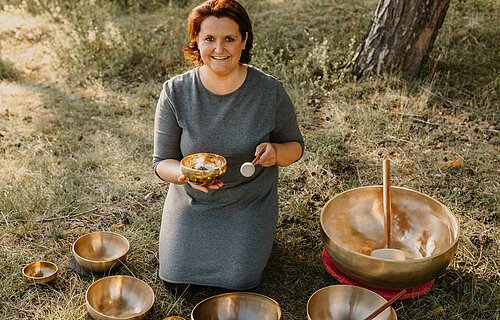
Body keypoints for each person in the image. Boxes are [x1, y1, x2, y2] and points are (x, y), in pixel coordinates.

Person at [153, 0, 304, 291]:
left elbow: (295, 146)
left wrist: (276, 154)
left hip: (248, 203)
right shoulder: (176, 92)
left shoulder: (269, 91)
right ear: (196, 40)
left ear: (244, 39)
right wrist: (185, 175)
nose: (219, 49)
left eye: (229, 39)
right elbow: (161, 162)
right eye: (209, 38)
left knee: (240, 281)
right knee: (174, 279)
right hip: (192, 201)